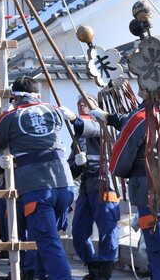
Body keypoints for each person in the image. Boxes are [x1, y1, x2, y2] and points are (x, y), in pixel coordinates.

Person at [0, 76, 75, 280]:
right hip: (65, 183)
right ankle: (37, 274)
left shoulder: (10, 117)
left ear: (15, 98)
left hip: (36, 186)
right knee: (46, 238)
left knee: (48, 242)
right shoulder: (54, 111)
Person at [103, 95, 160, 280]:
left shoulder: (141, 117)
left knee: (159, 245)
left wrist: (118, 170)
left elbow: (121, 158)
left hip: (149, 187)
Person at [64, 97, 119, 280]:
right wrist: (78, 166)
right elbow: (71, 169)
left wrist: (74, 120)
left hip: (104, 182)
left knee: (107, 229)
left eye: (86, 102)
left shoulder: (103, 125)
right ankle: (93, 264)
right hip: (86, 187)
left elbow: (94, 129)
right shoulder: (77, 137)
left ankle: (105, 270)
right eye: (79, 102)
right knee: (78, 231)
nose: (81, 104)